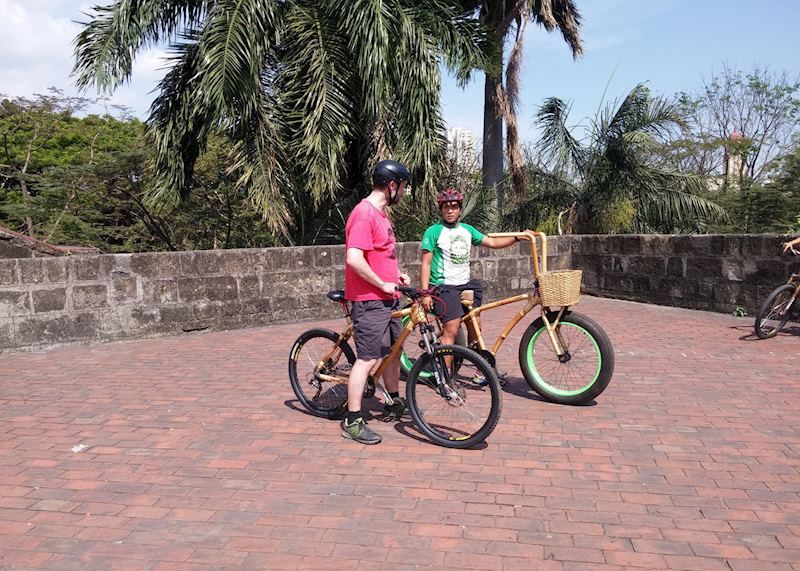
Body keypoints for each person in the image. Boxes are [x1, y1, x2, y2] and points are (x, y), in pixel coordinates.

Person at [342, 159, 412, 445]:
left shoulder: (382, 215)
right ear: (392, 185)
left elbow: (381, 256)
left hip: (389, 297)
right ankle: (352, 420)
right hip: (370, 299)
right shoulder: (364, 214)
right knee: (368, 358)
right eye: (403, 187)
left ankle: (393, 400)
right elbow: (354, 258)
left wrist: (396, 275)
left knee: (394, 351)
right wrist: (382, 284)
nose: (404, 192)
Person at [420, 188, 521, 351]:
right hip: (444, 286)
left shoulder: (467, 230)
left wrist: (517, 237)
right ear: (441, 210)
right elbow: (425, 263)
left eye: (454, 207)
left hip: (465, 284)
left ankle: (474, 359)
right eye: (446, 207)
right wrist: (425, 293)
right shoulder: (433, 231)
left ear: (460, 210)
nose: (450, 211)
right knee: (451, 330)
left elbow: (492, 242)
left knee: (475, 324)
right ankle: (444, 367)